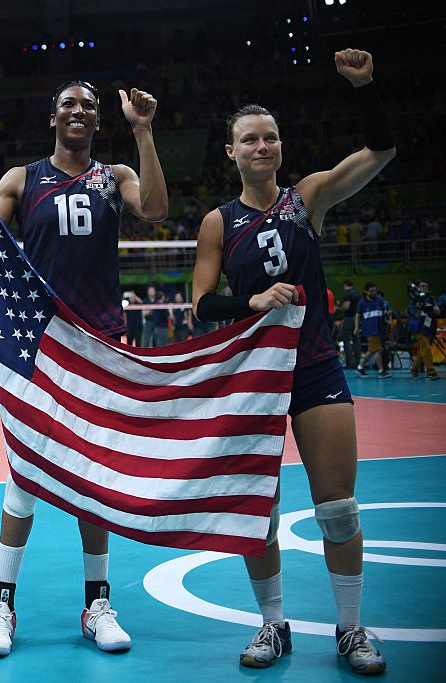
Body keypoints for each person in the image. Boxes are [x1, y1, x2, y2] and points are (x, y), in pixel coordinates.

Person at [190, 49, 394, 675]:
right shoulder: (218, 222)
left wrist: (365, 87)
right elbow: (201, 305)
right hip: (253, 380)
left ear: (280, 146)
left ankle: (352, 630)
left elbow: (380, 152)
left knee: (337, 506)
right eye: (249, 139)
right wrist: (248, 300)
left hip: (314, 369)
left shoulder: (307, 198)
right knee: (261, 510)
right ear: (232, 152)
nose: (262, 146)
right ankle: (273, 625)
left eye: (270, 136)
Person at [0, 79, 168, 656]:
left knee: (96, 475)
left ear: (98, 120)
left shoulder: (117, 176)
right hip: (40, 342)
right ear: (52, 117)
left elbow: (157, 211)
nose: (79, 110)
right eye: (69, 103)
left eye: (89, 104)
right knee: (24, 476)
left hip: (101, 344)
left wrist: (143, 130)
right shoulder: (20, 179)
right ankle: (2, 602)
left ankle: (97, 602)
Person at [356, 281, 390, 378]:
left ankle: (360, 367)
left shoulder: (380, 300)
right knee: (378, 349)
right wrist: (356, 327)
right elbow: (357, 316)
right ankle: (381, 371)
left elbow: (384, 312)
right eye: (371, 291)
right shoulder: (362, 303)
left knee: (372, 350)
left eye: (375, 290)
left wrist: (387, 316)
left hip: (379, 329)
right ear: (366, 292)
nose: (374, 293)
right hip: (369, 330)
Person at [407, 280, 440, 380]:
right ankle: (431, 372)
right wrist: (420, 307)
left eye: (426, 286)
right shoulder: (414, 299)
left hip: (428, 328)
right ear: (418, 288)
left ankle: (414, 369)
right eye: (421, 286)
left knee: (422, 350)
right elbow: (415, 315)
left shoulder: (431, 298)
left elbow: (438, 312)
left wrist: (432, 308)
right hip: (417, 327)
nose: (423, 288)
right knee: (426, 348)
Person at [339, 279, 361, 368]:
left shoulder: (347, 294)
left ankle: (350, 363)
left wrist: (340, 307)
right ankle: (358, 362)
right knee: (356, 341)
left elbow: (346, 306)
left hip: (349, 318)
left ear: (345, 285)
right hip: (357, 319)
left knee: (346, 340)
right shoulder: (358, 294)